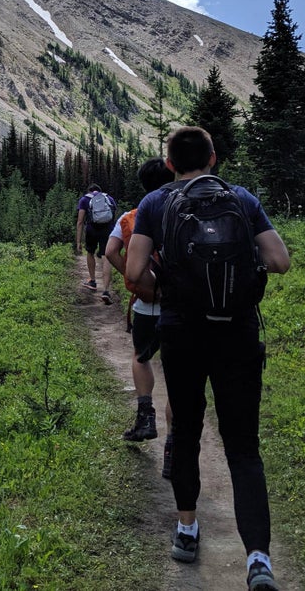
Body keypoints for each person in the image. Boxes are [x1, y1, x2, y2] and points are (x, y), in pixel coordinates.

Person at [125, 127, 291, 591]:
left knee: (187, 429)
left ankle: (186, 528)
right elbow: (280, 260)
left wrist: (171, 285)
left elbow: (135, 272)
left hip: (182, 335)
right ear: (213, 158)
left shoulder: (157, 203)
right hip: (237, 333)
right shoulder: (242, 198)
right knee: (243, 448)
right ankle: (258, 560)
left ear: (170, 162)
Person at [105, 157, 175, 464]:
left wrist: (131, 279)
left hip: (147, 304)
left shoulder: (131, 216)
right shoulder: (182, 212)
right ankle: (175, 441)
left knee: (140, 356)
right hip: (181, 306)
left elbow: (109, 251)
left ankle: (146, 416)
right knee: (177, 370)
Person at [75, 183, 117, 304]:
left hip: (92, 229)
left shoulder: (84, 199)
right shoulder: (109, 198)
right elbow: (113, 215)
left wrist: (78, 241)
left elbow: (80, 221)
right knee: (106, 257)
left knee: (90, 252)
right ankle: (106, 290)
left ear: (89, 191)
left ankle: (93, 281)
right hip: (107, 229)